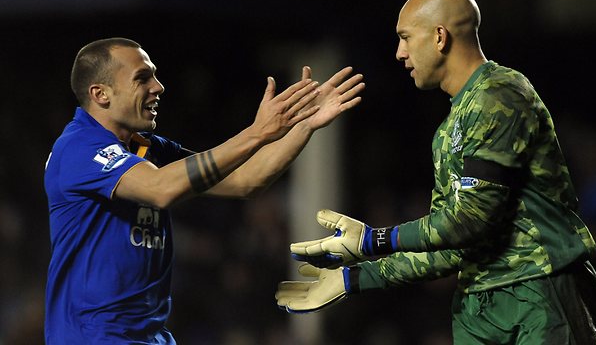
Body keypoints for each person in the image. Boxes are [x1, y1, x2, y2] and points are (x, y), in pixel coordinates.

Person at [275, 0, 596, 343]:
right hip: (478, 306)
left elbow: (470, 220)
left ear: (439, 37)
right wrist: (353, 278)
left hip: (539, 294)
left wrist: (374, 240)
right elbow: (449, 248)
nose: (399, 53)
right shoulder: (448, 130)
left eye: (405, 37)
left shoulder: (501, 95)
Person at [44, 37, 365, 344]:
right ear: (101, 94)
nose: (158, 87)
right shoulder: (78, 147)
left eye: (154, 76)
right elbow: (161, 189)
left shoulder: (147, 149)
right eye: (142, 78)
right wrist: (257, 132)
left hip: (148, 337)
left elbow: (247, 180)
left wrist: (304, 124)